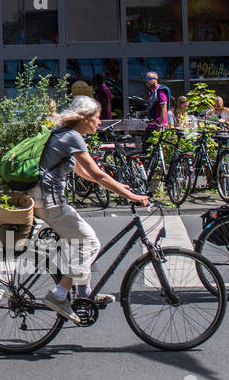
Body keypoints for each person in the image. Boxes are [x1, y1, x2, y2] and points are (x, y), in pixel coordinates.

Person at [32, 96, 151, 324]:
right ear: (85, 118)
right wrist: (132, 196)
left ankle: (85, 293)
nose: (100, 123)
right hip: (49, 201)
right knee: (90, 244)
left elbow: (84, 173)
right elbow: (96, 174)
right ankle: (58, 295)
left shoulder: (63, 134)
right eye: (97, 118)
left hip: (46, 199)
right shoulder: (72, 136)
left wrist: (119, 189)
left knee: (80, 243)